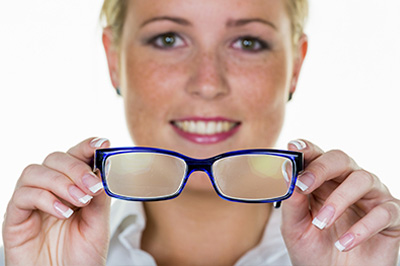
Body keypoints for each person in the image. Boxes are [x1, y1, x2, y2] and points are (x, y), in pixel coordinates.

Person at [1, 0, 400, 265]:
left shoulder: (372, 252)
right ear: (114, 58)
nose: (208, 83)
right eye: (168, 39)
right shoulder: (33, 256)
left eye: (247, 42)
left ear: (295, 66)